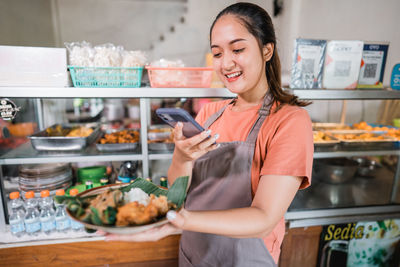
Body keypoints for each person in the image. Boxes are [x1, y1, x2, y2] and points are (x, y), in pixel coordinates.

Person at [101, 2, 313, 266]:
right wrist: (181, 156)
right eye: (217, 53)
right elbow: (179, 192)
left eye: (238, 49)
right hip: (194, 253)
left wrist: (181, 221)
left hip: (245, 259)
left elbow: (263, 219)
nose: (226, 63)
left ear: (267, 49)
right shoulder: (210, 113)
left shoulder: (289, 120)